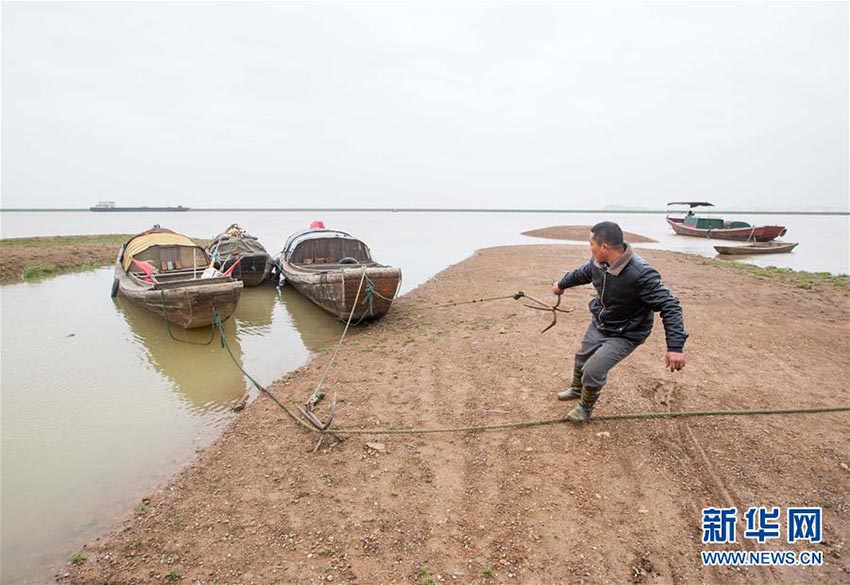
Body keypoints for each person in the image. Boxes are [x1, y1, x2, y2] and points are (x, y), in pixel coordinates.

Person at [552, 222, 687, 422]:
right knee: (582, 358)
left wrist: (675, 347)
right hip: (601, 322)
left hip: (627, 333)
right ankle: (576, 389)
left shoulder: (641, 274)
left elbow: (670, 305)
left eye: (591, 244)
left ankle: (584, 409)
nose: (590, 247)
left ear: (604, 247)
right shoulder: (598, 261)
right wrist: (561, 284)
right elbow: (583, 273)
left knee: (593, 369)